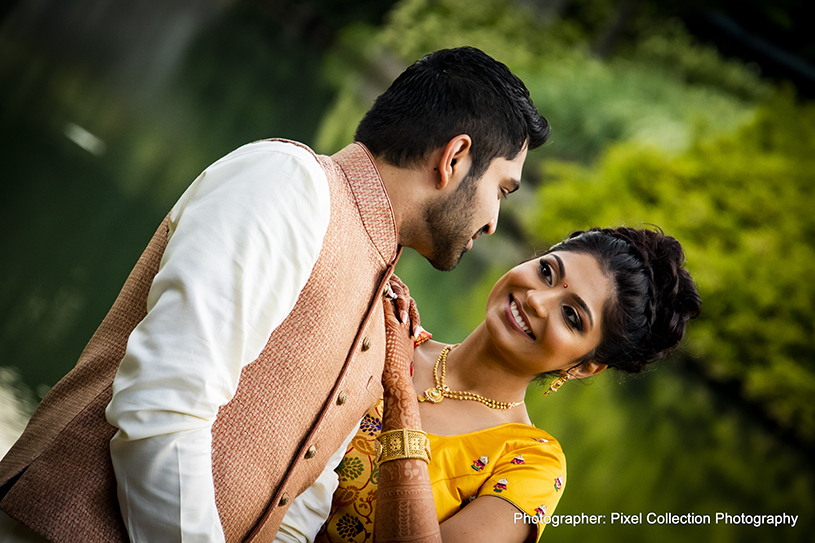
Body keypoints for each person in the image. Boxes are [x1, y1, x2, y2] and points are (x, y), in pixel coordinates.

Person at [0, 46, 549, 543]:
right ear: (455, 158)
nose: (496, 221)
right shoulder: (289, 186)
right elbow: (162, 404)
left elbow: (305, 498)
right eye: (501, 189)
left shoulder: (387, 308)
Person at [314, 226, 702, 542]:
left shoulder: (530, 464)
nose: (536, 299)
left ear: (586, 367)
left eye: (571, 316)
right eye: (547, 272)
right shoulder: (387, 330)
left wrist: (399, 389)